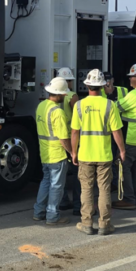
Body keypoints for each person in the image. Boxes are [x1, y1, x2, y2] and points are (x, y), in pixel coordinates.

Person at [71, 69, 125, 236]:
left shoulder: (79, 105)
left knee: (86, 189)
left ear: (87, 85)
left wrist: (74, 152)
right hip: (104, 155)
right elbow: (116, 131)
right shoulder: (110, 105)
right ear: (103, 86)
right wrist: (122, 150)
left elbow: (74, 132)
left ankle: (86, 223)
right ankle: (104, 224)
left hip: (85, 155)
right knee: (104, 190)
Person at [33, 77, 74, 225]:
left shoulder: (41, 106)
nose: (65, 96)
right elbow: (63, 138)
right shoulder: (58, 112)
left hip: (45, 153)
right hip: (57, 154)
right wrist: (72, 152)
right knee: (57, 186)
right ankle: (52, 217)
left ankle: (38, 212)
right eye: (64, 94)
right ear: (60, 94)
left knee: (45, 182)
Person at [112, 64, 136, 210]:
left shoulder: (135, 94)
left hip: (132, 138)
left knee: (123, 167)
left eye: (132, 76)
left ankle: (128, 199)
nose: (130, 78)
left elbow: (116, 107)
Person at [56, 67, 82, 215]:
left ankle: (64, 201)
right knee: (77, 172)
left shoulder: (52, 96)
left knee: (63, 173)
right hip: (71, 137)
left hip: (58, 138)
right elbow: (78, 118)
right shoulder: (72, 96)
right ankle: (78, 206)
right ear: (69, 82)